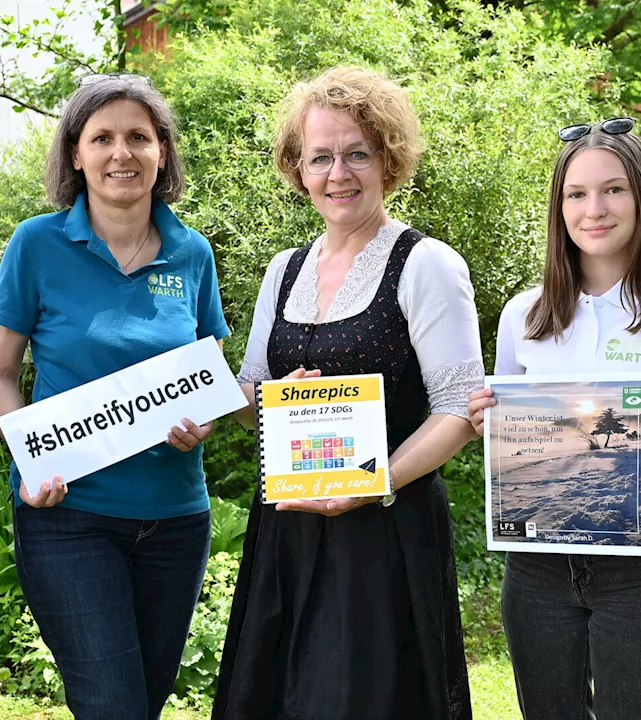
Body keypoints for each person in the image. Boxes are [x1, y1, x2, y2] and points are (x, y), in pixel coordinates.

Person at [213, 65, 482, 720]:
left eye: (357, 154)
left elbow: (460, 411)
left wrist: (374, 481)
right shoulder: (285, 270)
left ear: (388, 161)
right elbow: (253, 395)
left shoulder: (427, 265)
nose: (339, 173)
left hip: (384, 538)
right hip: (288, 533)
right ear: (297, 169)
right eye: (321, 157)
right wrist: (271, 399)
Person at [0, 73, 230, 720]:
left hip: (176, 519)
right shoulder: (37, 245)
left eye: (139, 138)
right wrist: (31, 458)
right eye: (103, 138)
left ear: (163, 152)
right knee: (112, 704)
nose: (123, 153)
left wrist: (202, 421)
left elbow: (209, 376)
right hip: (69, 516)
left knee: (144, 701)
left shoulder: (192, 253)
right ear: (76, 154)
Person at [467, 117, 641, 720]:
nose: (595, 209)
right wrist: (492, 420)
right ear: (559, 206)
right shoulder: (523, 315)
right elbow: (514, 433)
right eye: (576, 193)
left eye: (614, 189)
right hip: (535, 567)